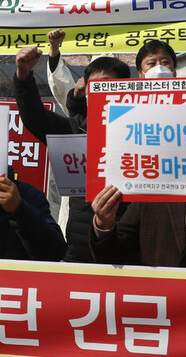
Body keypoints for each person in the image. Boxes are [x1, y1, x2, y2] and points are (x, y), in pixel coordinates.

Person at [13, 44, 131, 262]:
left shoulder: (145, 132)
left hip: (129, 243)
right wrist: (24, 76)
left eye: (107, 85)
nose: (99, 91)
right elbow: (35, 118)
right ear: (85, 91)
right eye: (93, 86)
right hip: (80, 246)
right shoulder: (76, 129)